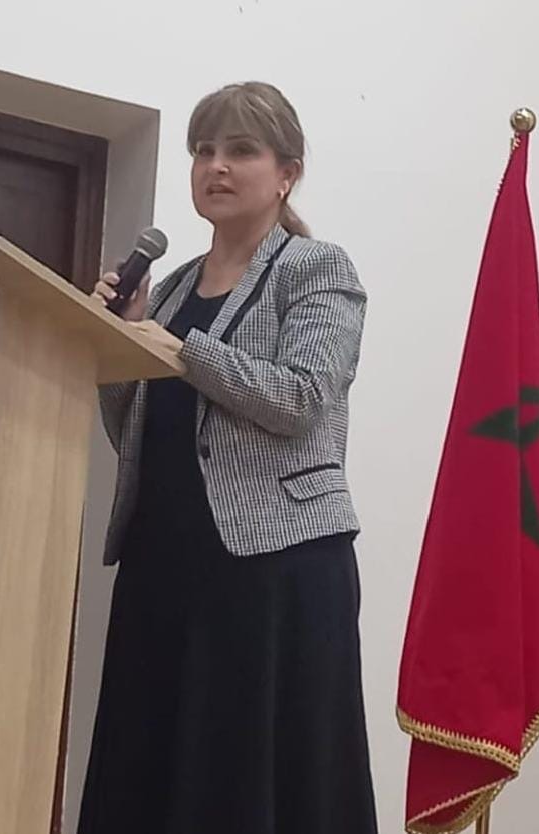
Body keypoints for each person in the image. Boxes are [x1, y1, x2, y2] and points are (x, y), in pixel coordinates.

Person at [77, 81, 378, 834]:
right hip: (164, 562)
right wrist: (119, 343)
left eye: (240, 150)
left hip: (274, 568)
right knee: (153, 771)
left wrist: (178, 347)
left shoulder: (316, 269)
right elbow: (134, 429)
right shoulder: (171, 288)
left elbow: (302, 397)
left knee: (254, 774)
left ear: (286, 174)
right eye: (203, 150)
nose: (216, 166)